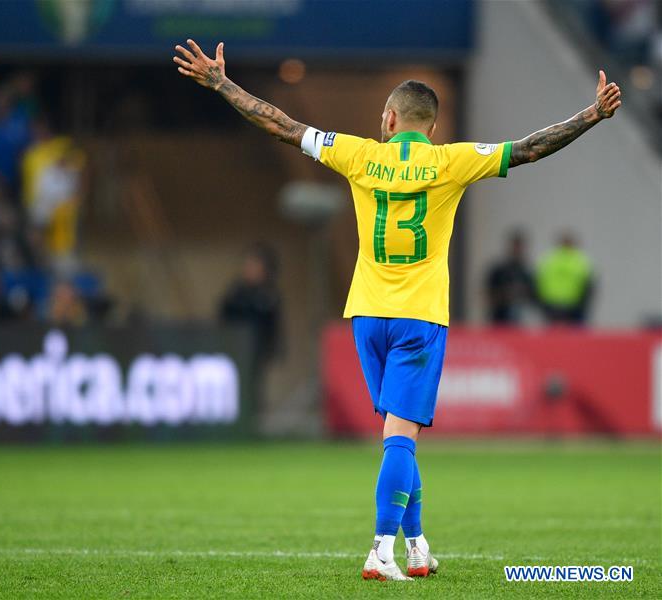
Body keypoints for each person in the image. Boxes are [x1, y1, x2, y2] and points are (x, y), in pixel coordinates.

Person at [173, 39, 621, 581]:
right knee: (400, 438)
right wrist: (592, 114)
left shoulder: (359, 154)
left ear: (388, 119)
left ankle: (416, 546)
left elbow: (283, 125)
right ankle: (381, 551)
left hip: (367, 316)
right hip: (419, 318)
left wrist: (222, 83)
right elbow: (528, 148)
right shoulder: (452, 161)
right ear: (430, 128)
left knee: (397, 437)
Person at [219, 243, 282, 369]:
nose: (250, 270)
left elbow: (273, 328)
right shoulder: (236, 293)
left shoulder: (269, 296)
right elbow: (224, 317)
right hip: (234, 350)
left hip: (257, 353)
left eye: (255, 266)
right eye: (248, 265)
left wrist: (273, 350)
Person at [535, 232, 594, 324]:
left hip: (573, 307)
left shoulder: (550, 259)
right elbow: (538, 283)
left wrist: (582, 306)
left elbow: (589, 286)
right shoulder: (580, 260)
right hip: (552, 306)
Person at [485, 230, 534, 324]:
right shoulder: (499, 271)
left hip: (520, 320)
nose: (518, 250)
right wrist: (504, 295)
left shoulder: (526, 272)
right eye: (516, 247)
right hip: (499, 319)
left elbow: (532, 296)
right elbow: (488, 294)